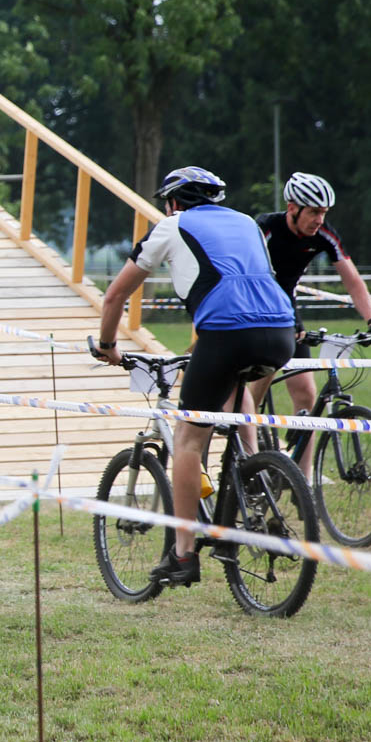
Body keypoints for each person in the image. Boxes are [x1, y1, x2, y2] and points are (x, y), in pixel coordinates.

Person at [91, 167, 296, 589]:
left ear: (172, 202)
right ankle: (253, 475)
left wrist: (108, 345)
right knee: (237, 392)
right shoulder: (247, 223)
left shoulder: (172, 225)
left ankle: (183, 554)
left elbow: (115, 295)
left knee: (187, 437)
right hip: (281, 331)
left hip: (225, 333)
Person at [245, 172, 371, 469]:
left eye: (324, 213)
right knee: (261, 378)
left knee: (307, 395)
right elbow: (252, 277)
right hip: (255, 305)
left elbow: (352, 280)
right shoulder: (266, 228)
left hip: (288, 310)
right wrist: (285, 321)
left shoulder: (324, 234)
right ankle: (246, 442)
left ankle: (303, 480)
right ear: (292, 208)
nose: (319, 220)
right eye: (313, 212)